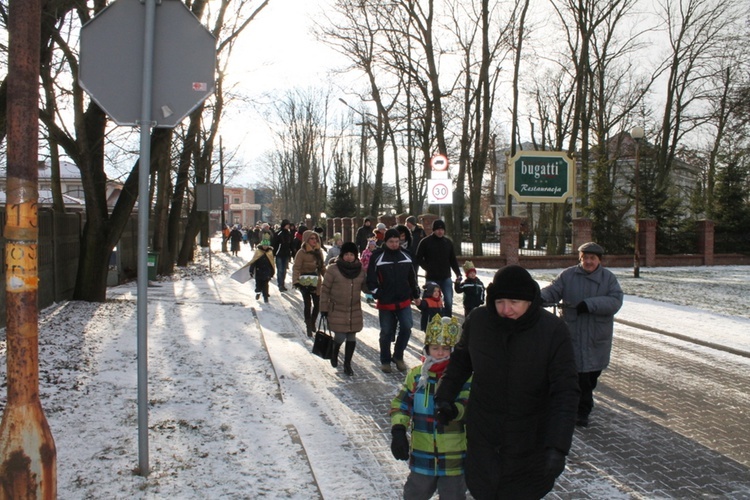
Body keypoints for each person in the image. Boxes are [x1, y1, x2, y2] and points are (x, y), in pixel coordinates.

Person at [434, 265, 580, 499]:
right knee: (484, 490)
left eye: (514, 302)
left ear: (530, 300)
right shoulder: (479, 321)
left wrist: (557, 446)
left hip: (530, 437)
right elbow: (461, 362)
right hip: (484, 433)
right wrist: (444, 397)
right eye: (500, 301)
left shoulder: (552, 330)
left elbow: (566, 391)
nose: (506, 309)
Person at [540, 241, 624, 427]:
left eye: (592, 258)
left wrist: (590, 305)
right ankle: (581, 411)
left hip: (596, 336)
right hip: (573, 333)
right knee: (577, 376)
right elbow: (554, 290)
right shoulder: (568, 275)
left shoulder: (608, 279)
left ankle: (580, 405)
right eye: (585, 257)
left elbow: (615, 301)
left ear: (599, 260)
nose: (588, 261)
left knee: (591, 375)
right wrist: (540, 297)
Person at [390, 314, 470, 500]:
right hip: (422, 455)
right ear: (427, 349)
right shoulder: (417, 376)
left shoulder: (464, 376)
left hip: (453, 457)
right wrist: (399, 429)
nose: (440, 353)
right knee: (414, 495)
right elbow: (401, 404)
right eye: (435, 348)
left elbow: (469, 404)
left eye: (445, 349)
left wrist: (455, 410)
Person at [366, 228, 422, 373]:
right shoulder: (377, 256)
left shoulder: (406, 255)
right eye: (391, 241)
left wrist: (415, 295)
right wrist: (378, 293)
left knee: (407, 327)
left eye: (397, 241)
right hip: (386, 301)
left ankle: (398, 355)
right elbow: (371, 279)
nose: (394, 244)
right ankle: (385, 360)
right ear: (385, 241)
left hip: (404, 299)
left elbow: (412, 277)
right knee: (386, 331)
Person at [319, 242, 369, 376]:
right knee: (340, 336)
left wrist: (375, 285)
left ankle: (347, 364)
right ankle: (334, 353)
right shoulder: (333, 269)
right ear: (342, 255)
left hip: (354, 310)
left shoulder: (360, 270)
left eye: (351, 254)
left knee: (352, 336)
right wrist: (323, 308)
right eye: (346, 254)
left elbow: (365, 288)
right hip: (337, 308)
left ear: (355, 256)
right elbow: (325, 290)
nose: (349, 257)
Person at [415, 219, 462, 317]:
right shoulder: (425, 242)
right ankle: (432, 321)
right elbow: (418, 258)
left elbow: (452, 259)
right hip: (432, 277)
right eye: (437, 229)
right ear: (433, 230)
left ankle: (447, 320)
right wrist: (427, 267)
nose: (440, 231)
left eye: (442, 229)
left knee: (448, 300)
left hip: (446, 277)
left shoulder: (448, 242)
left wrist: (458, 273)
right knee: (431, 302)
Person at [293, 230, 326, 337]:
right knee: (307, 304)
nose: (314, 240)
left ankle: (312, 322)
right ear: (307, 239)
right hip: (304, 282)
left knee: (317, 304)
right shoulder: (301, 252)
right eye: (312, 238)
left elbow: (322, 267)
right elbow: (296, 268)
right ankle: (308, 325)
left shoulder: (319, 251)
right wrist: (296, 281)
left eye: (315, 238)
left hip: (316, 281)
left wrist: (328, 278)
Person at [246, 234, 276, 303]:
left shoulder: (270, 252)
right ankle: (258, 293)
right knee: (258, 285)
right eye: (264, 245)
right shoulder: (258, 252)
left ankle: (265, 296)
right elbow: (253, 261)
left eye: (266, 245)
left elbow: (272, 263)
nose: (265, 247)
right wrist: (251, 270)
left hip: (267, 272)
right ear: (262, 245)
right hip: (259, 272)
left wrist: (272, 272)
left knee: (265, 285)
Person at [272, 219, 294, 291]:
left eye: (288, 225)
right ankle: (280, 284)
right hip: (279, 254)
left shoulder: (289, 234)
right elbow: (274, 244)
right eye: (287, 225)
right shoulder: (278, 233)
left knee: (284, 270)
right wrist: (273, 253)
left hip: (286, 254)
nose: (288, 226)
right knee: (280, 270)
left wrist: (292, 253)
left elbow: (291, 244)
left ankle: (282, 284)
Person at [360, 238, 378, 304]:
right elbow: (362, 260)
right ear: (368, 245)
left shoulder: (376, 252)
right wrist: (362, 267)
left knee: (373, 283)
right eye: (371, 245)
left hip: (375, 270)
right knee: (367, 284)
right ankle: (368, 297)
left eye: (373, 245)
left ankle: (372, 296)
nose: (372, 246)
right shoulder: (365, 252)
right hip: (366, 270)